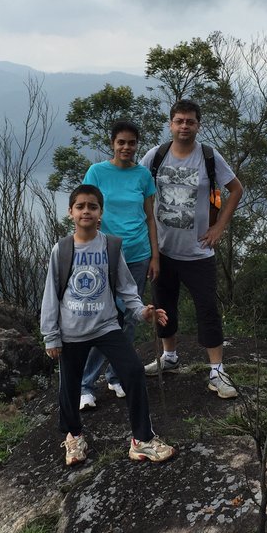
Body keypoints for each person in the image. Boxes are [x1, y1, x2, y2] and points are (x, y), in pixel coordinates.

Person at [40, 184, 176, 466]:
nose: (86, 211)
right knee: (69, 386)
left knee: (133, 371)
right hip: (71, 331)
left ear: (101, 213)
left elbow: (126, 288)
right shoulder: (62, 249)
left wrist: (142, 311)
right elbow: (50, 294)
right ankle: (74, 437)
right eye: (80, 206)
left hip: (106, 326)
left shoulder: (111, 246)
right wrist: (51, 336)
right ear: (70, 213)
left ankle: (142, 439)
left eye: (92, 206)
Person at [140, 100, 244, 399]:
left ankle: (216, 370)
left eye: (190, 122)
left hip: (199, 253)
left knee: (208, 309)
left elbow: (236, 188)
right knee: (164, 308)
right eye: (179, 121)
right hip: (163, 251)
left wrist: (219, 227)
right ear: (170, 124)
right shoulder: (155, 156)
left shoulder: (209, 157)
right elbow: (139, 190)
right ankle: (169, 356)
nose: (184, 126)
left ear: (198, 125)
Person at [78, 120, 159, 411]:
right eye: (121, 142)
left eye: (132, 142)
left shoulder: (142, 175)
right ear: (112, 143)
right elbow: (85, 211)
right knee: (102, 318)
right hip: (105, 254)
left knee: (128, 317)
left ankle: (115, 375)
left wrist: (155, 256)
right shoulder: (97, 172)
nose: (126, 147)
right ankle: (85, 384)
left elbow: (150, 217)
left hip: (137, 254)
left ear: (137, 144)